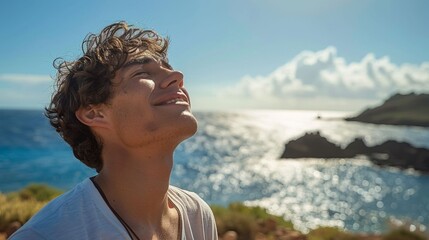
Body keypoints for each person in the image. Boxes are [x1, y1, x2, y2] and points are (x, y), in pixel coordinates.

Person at [9, 21, 218, 240]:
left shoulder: (198, 215)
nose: (177, 76)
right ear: (94, 114)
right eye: (142, 73)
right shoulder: (48, 234)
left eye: (168, 67)